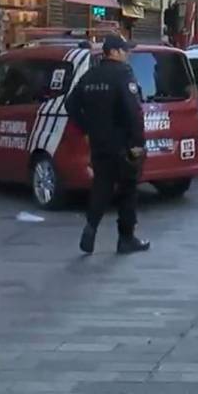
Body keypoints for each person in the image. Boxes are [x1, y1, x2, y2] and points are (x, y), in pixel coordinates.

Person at [68, 34, 150, 256]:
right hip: (122, 144)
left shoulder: (90, 75)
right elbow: (133, 112)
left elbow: (71, 104)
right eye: (124, 51)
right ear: (113, 52)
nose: (127, 54)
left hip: (99, 142)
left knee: (101, 186)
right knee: (128, 189)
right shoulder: (123, 74)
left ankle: (91, 227)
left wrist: (86, 128)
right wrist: (137, 143)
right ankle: (126, 238)